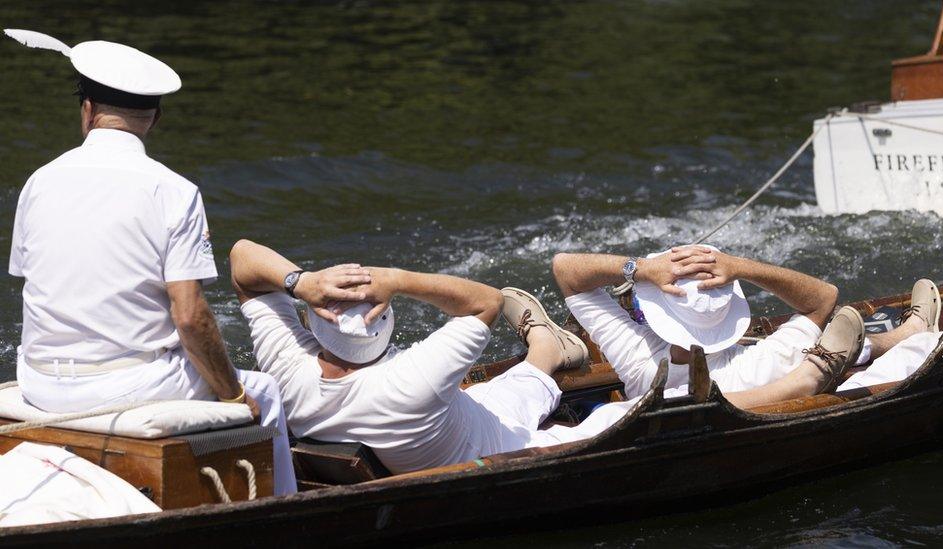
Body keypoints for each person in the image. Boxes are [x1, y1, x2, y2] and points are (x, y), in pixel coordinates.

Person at [5, 32, 322, 495]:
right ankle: (283, 517)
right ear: (155, 118)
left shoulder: (38, 182)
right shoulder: (173, 190)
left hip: (37, 380)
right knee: (266, 391)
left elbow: (43, 280)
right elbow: (191, 318)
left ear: (88, 110)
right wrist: (234, 395)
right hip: (123, 387)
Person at [511, 247, 941, 447]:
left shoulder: (640, 360)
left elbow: (564, 268)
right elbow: (825, 298)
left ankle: (890, 340)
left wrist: (638, 268)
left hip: (660, 403)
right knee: (823, 342)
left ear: (650, 309)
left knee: (823, 344)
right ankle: (900, 338)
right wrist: (742, 267)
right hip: (756, 382)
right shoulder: (760, 363)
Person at [228, 239, 590, 474]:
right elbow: (488, 301)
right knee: (611, 415)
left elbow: (242, 258)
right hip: (499, 448)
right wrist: (397, 279)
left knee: (504, 393)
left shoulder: (287, 372)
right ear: (385, 325)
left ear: (313, 320)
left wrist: (301, 282)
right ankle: (548, 351)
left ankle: (548, 350)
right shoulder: (414, 380)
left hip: (460, 423)